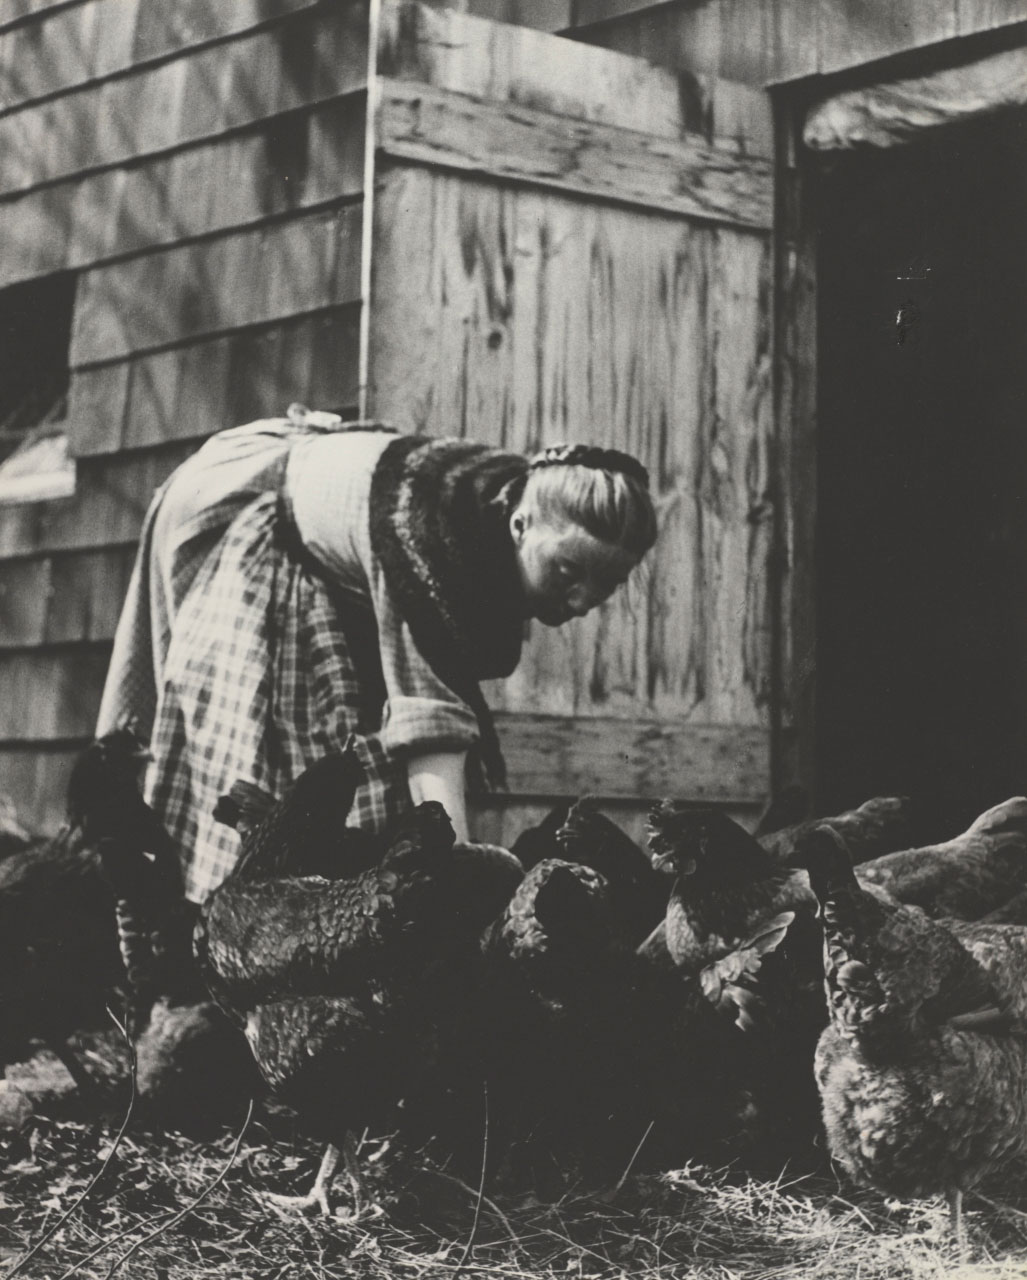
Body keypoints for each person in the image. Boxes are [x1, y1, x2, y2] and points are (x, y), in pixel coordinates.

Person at [97, 405, 657, 904]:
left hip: (337, 517)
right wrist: (457, 884)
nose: (583, 600)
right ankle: (209, 934)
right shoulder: (435, 538)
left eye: (606, 586)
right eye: (567, 571)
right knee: (262, 766)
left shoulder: (518, 489)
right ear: (521, 525)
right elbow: (431, 729)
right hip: (253, 509)